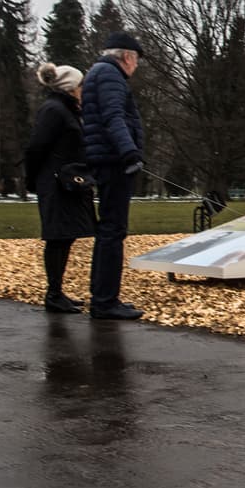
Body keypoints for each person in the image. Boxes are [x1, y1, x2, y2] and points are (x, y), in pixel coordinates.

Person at [82, 31, 147, 320]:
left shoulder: (98, 73)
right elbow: (113, 116)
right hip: (113, 161)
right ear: (127, 57)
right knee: (113, 231)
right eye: (136, 62)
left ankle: (103, 297)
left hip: (106, 158)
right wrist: (129, 152)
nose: (135, 68)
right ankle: (105, 301)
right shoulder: (110, 76)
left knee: (108, 230)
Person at [24, 62, 96, 313]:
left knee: (65, 236)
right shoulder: (54, 110)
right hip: (56, 182)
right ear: (70, 87)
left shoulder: (67, 110)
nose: (83, 89)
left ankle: (57, 292)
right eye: (81, 85)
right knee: (58, 237)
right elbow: (36, 147)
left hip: (67, 182)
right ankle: (53, 294)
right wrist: (34, 179)